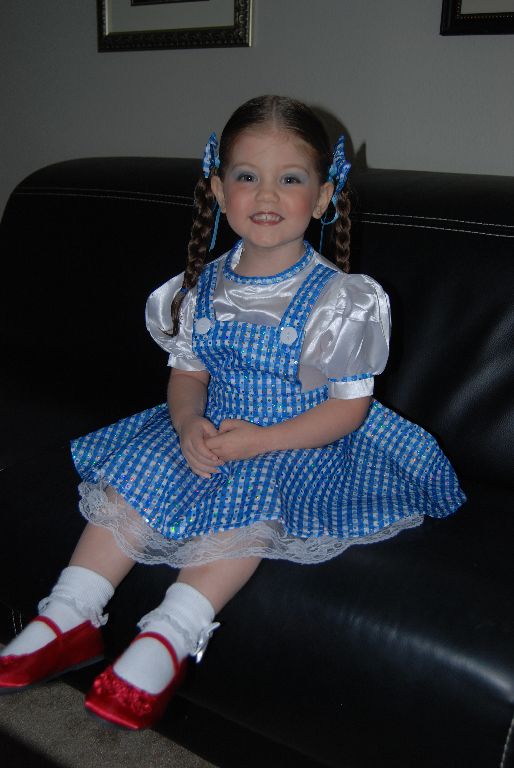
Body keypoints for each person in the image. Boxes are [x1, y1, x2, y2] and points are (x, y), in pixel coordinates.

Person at [0, 95, 465, 729]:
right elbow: (187, 376)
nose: (266, 194)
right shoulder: (201, 287)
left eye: (290, 179)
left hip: (304, 437)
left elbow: (348, 412)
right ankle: (68, 612)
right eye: (248, 176)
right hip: (214, 425)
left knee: (251, 489)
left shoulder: (341, 298)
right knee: (139, 469)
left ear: (323, 197)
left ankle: (173, 630)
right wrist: (187, 422)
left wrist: (262, 440)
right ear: (220, 190)